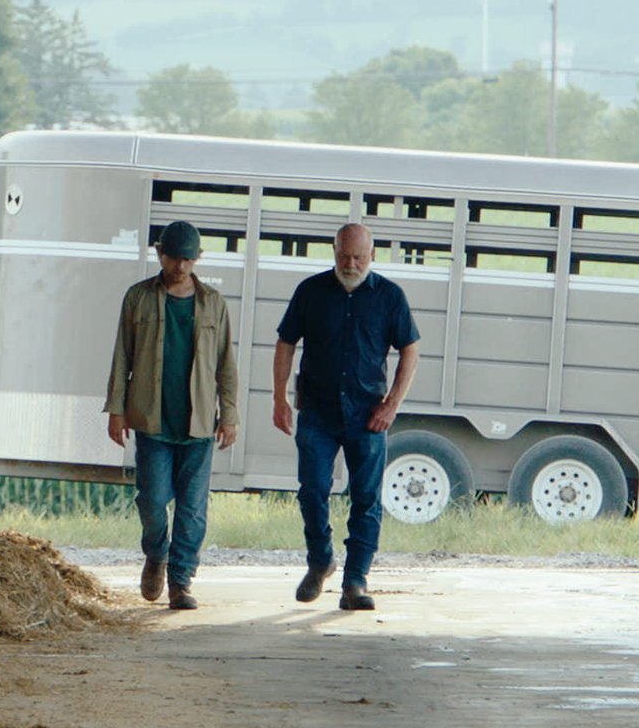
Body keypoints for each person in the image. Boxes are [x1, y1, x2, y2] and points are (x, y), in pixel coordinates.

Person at [272, 222, 422, 611]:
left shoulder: (390, 297)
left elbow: (410, 350)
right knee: (312, 490)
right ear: (334, 252)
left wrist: (392, 404)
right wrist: (279, 397)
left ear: (372, 255)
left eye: (358, 256)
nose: (350, 263)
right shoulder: (310, 291)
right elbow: (286, 343)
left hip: (368, 415)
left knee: (366, 498)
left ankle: (355, 581)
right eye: (343, 256)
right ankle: (320, 560)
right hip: (317, 413)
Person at [103, 219, 241, 610]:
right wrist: (116, 409)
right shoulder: (139, 298)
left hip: (198, 423)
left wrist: (229, 414)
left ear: (197, 259)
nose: (180, 267)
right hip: (151, 418)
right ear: (159, 255)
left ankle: (181, 581)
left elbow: (226, 364)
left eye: (187, 259)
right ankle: (155, 554)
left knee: (193, 508)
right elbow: (122, 356)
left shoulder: (213, 302)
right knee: (152, 499)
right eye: (172, 258)